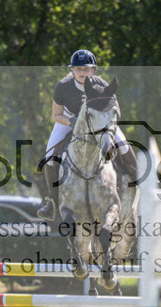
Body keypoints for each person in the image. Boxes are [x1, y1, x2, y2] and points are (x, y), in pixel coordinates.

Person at [36, 49, 137, 221]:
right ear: (72, 70)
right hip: (68, 121)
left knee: (124, 145)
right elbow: (56, 115)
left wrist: (107, 127)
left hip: (100, 123)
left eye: (86, 69)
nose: (82, 72)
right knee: (50, 157)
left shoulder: (103, 85)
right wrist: (73, 122)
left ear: (93, 70)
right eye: (78, 69)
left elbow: (116, 111)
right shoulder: (63, 87)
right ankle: (52, 201)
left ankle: (138, 180)